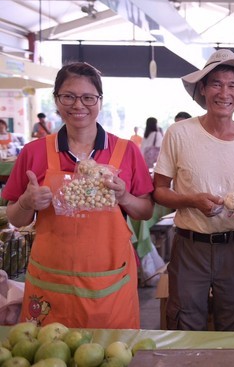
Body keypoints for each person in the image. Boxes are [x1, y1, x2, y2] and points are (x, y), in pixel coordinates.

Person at [2, 62, 154, 328]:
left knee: (110, 352)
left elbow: (146, 211)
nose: (78, 105)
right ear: (57, 100)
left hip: (110, 283)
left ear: (100, 101)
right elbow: (16, 218)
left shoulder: (126, 151)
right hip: (50, 282)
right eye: (68, 96)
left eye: (88, 97)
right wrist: (27, 202)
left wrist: (124, 198)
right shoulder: (34, 152)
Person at [153, 49, 234, 331]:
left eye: (232, 85)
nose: (223, 92)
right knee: (185, 324)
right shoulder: (179, 133)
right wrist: (191, 200)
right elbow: (160, 192)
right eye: (216, 83)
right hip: (190, 246)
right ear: (202, 88)